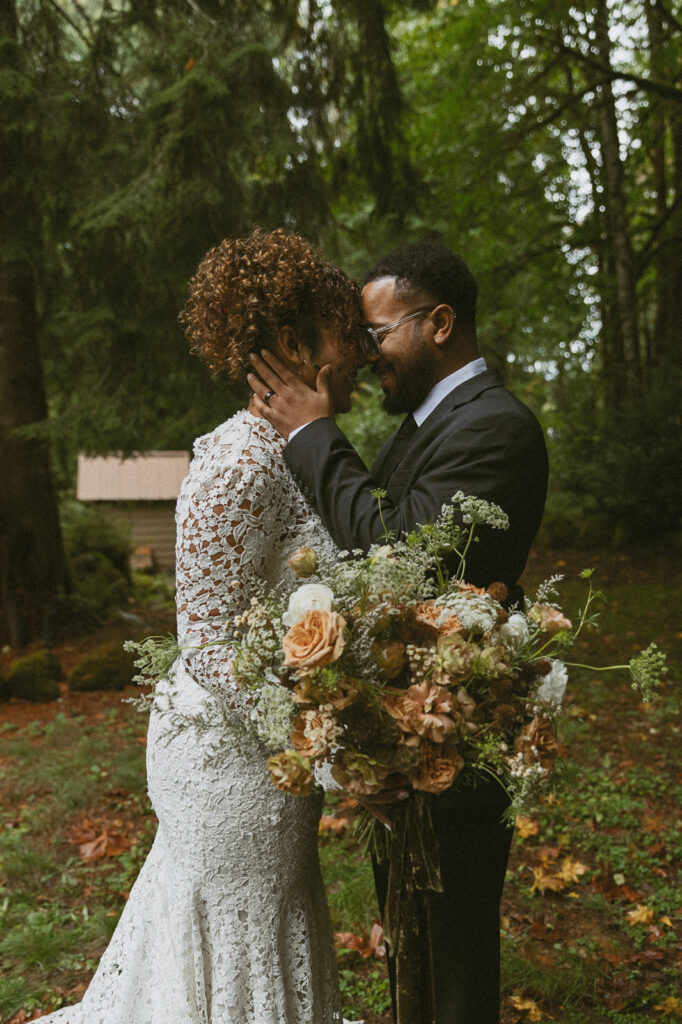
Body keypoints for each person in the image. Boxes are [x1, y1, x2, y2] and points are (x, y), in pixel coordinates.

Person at [41, 228, 367, 1024]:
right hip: (229, 766)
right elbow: (209, 644)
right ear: (295, 345)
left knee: (271, 920)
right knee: (237, 929)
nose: (360, 353)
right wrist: (318, 740)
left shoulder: (299, 452)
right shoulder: (238, 462)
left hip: (270, 758)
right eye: (345, 336)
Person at [248, 238, 549, 1024]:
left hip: (455, 731)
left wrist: (313, 434)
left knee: (450, 965)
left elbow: (398, 555)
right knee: (413, 947)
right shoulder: (426, 424)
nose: (366, 352)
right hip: (407, 734)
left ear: (440, 322)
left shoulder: (496, 426)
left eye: (377, 333)